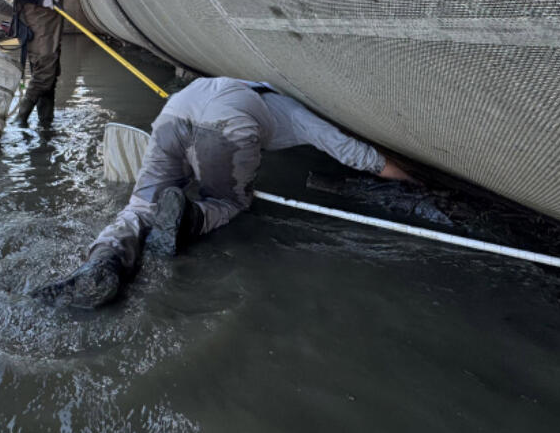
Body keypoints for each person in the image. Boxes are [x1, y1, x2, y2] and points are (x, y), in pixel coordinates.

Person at [31, 77, 412, 308]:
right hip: (229, 126)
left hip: (175, 112)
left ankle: (103, 262)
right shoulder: (290, 108)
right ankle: (191, 218)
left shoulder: (231, 82)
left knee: (141, 204)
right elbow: (353, 152)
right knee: (230, 201)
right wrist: (411, 180)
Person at [4, 0, 71, 127]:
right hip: (37, 31)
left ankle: (46, 124)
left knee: (50, 78)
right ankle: (20, 119)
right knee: (44, 75)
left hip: (51, 31)